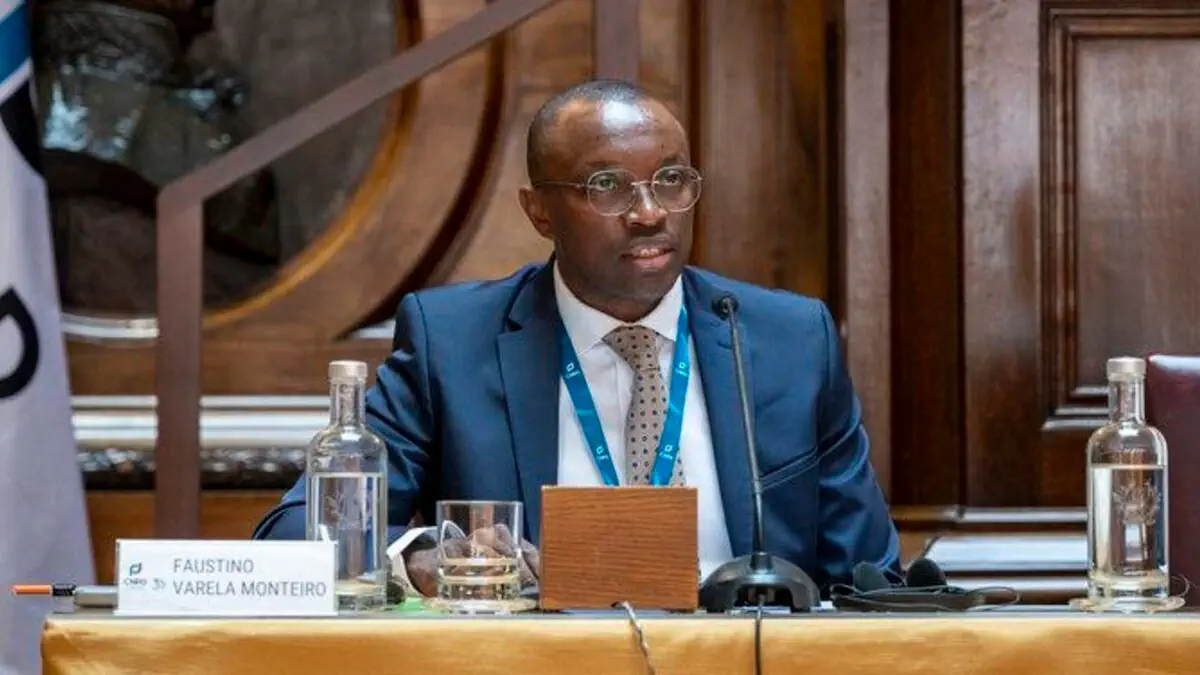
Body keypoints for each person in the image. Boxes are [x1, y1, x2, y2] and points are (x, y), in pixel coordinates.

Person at [253, 79, 901, 597]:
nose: (649, 212)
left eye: (671, 180)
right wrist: (421, 555)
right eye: (607, 186)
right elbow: (295, 534)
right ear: (539, 211)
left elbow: (871, 578)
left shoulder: (788, 341)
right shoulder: (452, 343)